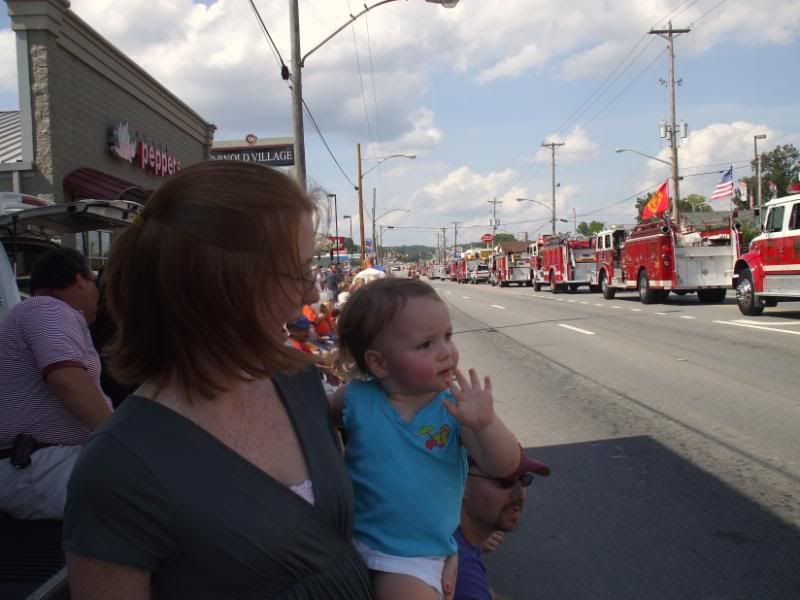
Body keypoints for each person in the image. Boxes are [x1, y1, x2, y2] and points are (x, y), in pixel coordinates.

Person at [63, 161, 374, 599]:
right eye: (298, 271)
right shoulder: (120, 467)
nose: (310, 294)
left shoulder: (297, 379)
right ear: (222, 285)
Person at [332, 278, 520, 600]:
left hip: (411, 558)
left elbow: (503, 464)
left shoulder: (453, 409)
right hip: (355, 542)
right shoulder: (354, 399)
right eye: (425, 345)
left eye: (447, 336)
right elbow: (313, 430)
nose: (445, 352)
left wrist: (486, 425)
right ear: (379, 363)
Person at [0, 247, 112, 520]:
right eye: (94, 283)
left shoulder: (42, 314)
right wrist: (124, 439)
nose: (98, 296)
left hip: (46, 461)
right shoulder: (46, 307)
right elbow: (66, 381)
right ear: (78, 280)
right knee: (163, 495)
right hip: (37, 463)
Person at [454, 452, 550, 600]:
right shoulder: (462, 575)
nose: (520, 494)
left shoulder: (459, 533)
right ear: (462, 484)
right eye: (505, 482)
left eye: (525, 480)